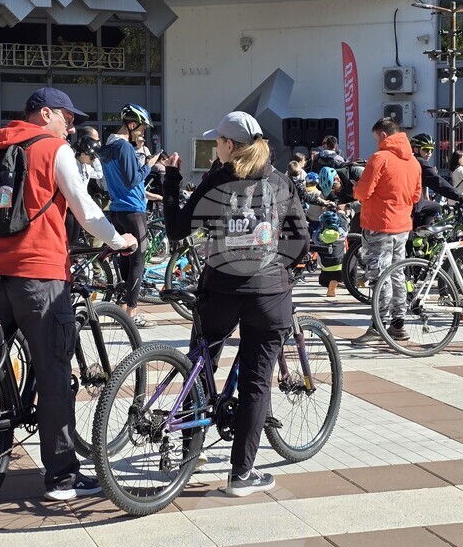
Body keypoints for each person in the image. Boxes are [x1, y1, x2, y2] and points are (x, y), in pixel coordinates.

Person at [0, 87, 137, 499]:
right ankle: (61, 476)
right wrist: (117, 241)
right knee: (55, 374)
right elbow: (85, 208)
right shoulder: (53, 148)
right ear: (45, 114)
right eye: (67, 116)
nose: (72, 124)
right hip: (40, 275)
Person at [161, 111, 308, 497]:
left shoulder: (216, 182)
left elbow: (177, 230)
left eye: (218, 142)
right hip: (268, 295)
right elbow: (299, 242)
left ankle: (188, 452)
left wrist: (172, 180)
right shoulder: (280, 182)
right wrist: (277, 269)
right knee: (257, 384)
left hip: (220, 291)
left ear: (228, 145)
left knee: (201, 361)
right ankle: (241, 475)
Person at [351, 118, 423, 344]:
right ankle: (398, 324)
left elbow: (362, 193)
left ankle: (378, 326)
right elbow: (416, 196)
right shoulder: (413, 162)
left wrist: (356, 188)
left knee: (379, 276)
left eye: (376, 139)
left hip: (378, 225)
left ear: (383, 135)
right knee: (397, 273)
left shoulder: (380, 158)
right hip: (402, 225)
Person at [99, 103, 160, 328]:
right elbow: (132, 180)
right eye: (141, 129)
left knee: (126, 257)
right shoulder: (124, 147)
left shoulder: (109, 146)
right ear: (132, 124)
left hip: (117, 209)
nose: (142, 133)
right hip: (134, 208)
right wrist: (149, 164)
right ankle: (131, 313)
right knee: (138, 260)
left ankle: (123, 309)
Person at [410, 133, 463, 228]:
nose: (429, 153)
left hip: (410, 203)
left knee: (435, 207)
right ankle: (418, 234)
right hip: (410, 207)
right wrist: (460, 197)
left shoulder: (410, 160)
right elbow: (438, 183)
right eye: (426, 150)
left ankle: (419, 233)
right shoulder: (420, 162)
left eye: (431, 150)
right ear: (415, 149)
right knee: (410, 237)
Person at [313, 210, 348, 297]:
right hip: (341, 273)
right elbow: (345, 224)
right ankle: (352, 283)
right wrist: (341, 213)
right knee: (353, 257)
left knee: (324, 279)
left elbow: (316, 232)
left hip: (325, 274)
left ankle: (331, 283)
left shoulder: (318, 237)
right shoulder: (342, 234)